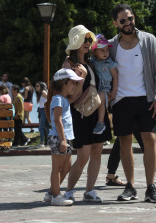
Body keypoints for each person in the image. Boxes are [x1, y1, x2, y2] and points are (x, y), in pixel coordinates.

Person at [109, 3, 156, 203]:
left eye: (130, 18)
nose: (128, 23)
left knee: (150, 139)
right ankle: (130, 187)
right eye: (122, 20)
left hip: (146, 99)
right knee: (125, 142)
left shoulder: (149, 40)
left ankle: (150, 187)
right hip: (121, 101)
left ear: (134, 18)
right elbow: (99, 65)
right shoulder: (111, 46)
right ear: (116, 23)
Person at [62, 25, 112, 203]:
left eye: (90, 40)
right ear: (76, 41)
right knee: (83, 156)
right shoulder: (69, 63)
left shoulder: (90, 61)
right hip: (80, 113)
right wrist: (81, 79)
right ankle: (68, 191)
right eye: (85, 39)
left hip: (95, 112)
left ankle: (90, 191)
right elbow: (70, 95)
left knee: (97, 152)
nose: (88, 43)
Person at [106, 74, 156, 187]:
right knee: (138, 138)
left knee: (124, 139)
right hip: (124, 99)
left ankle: (111, 175)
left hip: (134, 99)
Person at [44, 69, 85, 206]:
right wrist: (62, 139)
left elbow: (77, 91)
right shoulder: (57, 99)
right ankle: (56, 196)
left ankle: (50, 193)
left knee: (66, 167)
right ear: (63, 84)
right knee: (57, 168)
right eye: (72, 83)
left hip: (65, 138)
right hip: (59, 138)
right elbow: (57, 120)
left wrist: (82, 77)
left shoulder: (64, 99)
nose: (74, 86)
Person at [90, 34, 118, 134]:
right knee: (98, 98)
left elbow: (115, 77)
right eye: (102, 50)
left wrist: (114, 91)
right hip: (95, 89)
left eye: (107, 49)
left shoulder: (110, 64)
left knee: (101, 98)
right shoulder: (92, 62)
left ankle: (101, 122)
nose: (105, 52)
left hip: (106, 89)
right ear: (94, 52)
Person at [35, 81, 49, 148]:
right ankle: (50, 140)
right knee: (45, 127)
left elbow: (49, 99)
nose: (36, 87)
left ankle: (42, 143)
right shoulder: (40, 93)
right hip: (41, 110)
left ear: (41, 86)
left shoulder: (43, 92)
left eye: (38, 86)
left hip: (44, 110)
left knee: (41, 127)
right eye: (36, 86)